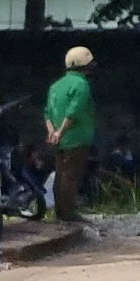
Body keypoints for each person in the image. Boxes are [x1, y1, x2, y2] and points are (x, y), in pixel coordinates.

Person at [42, 46, 96, 224]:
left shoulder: (55, 85)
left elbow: (47, 112)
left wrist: (53, 133)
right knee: (71, 176)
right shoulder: (81, 84)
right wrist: (61, 131)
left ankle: (61, 212)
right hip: (76, 138)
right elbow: (74, 112)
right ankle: (67, 214)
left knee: (61, 175)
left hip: (60, 139)